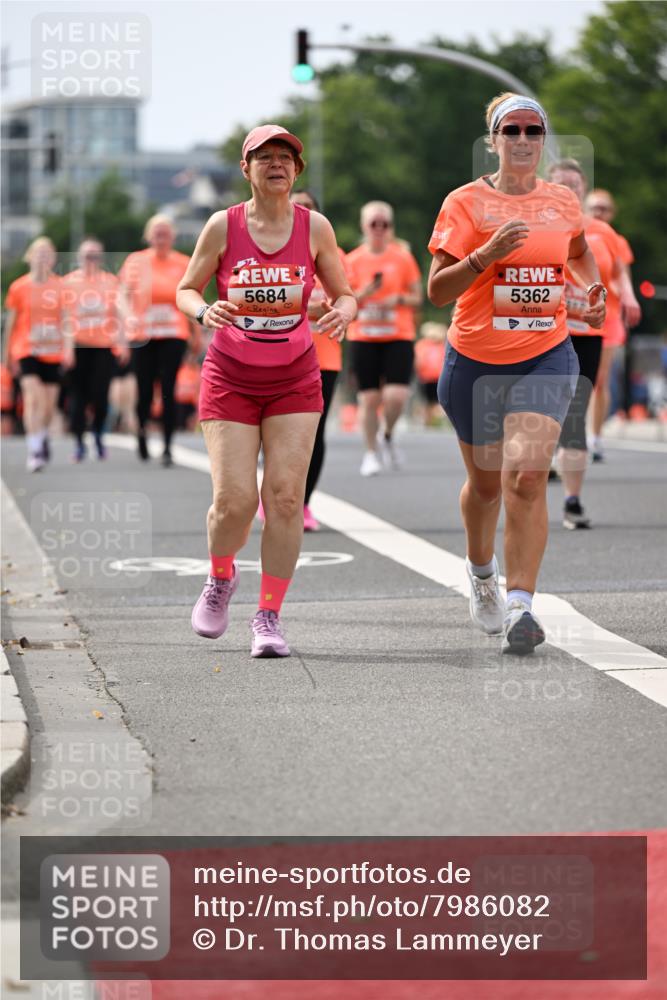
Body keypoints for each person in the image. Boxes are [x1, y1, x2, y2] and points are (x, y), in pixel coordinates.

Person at [427, 93, 606, 654]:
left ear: (543, 139)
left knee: (526, 477)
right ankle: (483, 573)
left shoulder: (562, 202)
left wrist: (593, 289)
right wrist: (484, 255)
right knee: (485, 487)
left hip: (546, 354)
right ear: (494, 141)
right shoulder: (465, 203)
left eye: (533, 130)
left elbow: (578, 253)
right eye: (512, 130)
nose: (523, 139)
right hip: (475, 364)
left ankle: (521, 606)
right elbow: (437, 291)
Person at [176, 124, 355, 658]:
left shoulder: (315, 227)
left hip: (294, 378)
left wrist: (343, 312)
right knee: (234, 502)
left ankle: (268, 617)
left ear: (296, 170)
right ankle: (221, 577)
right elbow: (186, 288)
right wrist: (204, 310)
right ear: (246, 169)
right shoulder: (223, 225)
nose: (276, 164)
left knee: (285, 498)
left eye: (285, 158)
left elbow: (344, 293)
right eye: (264, 157)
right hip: (230, 377)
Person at [548, 161, 624, 529]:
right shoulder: (535, 227)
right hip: (542, 332)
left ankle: (572, 501)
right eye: (560, 184)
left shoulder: (601, 232)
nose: (568, 190)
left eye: (574, 185)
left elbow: (619, 271)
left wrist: (626, 296)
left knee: (574, 413)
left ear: (583, 189)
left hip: (587, 333)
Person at [345, 201, 423, 476]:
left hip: (397, 334)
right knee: (369, 399)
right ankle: (370, 453)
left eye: (384, 224)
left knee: (396, 396)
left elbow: (418, 297)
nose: (379, 229)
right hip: (363, 336)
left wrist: (398, 299)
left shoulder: (402, 258)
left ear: (391, 227)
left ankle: (387, 434)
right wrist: (364, 294)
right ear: (363, 226)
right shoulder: (352, 261)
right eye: (373, 224)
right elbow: (342, 300)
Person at [119, 215, 197, 466]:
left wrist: (196, 334)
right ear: (148, 236)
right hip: (143, 335)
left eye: (165, 233)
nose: (161, 237)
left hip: (174, 334)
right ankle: (142, 431)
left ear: (173, 236)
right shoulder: (136, 261)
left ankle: (167, 446)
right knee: (144, 389)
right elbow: (121, 296)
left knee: (168, 389)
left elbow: (192, 298)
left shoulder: (183, 262)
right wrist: (128, 315)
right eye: (157, 233)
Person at [291, 189, 345, 530]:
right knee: (278, 433)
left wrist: (336, 309)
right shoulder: (270, 249)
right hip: (280, 354)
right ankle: (277, 494)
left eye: (309, 207)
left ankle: (304, 504)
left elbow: (346, 298)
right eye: (297, 205)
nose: (302, 211)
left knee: (315, 432)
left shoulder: (334, 252)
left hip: (323, 357)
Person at [584, 189, 642, 459]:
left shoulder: (617, 241)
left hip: (608, 317)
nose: (599, 212)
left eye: (604, 208)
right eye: (594, 207)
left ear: (612, 213)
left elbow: (623, 276)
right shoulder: (576, 233)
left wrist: (626, 296)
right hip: (577, 315)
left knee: (599, 379)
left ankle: (595, 438)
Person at [61, 237, 129, 461]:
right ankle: (79, 443)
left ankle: (98, 434)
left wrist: (123, 342)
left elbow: (118, 314)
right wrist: (67, 349)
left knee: (101, 396)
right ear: (79, 257)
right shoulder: (68, 282)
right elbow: (64, 318)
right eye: (87, 255)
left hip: (103, 347)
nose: (91, 259)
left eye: (95, 255)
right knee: (78, 397)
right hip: (78, 347)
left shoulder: (110, 281)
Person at [3, 237, 64, 471]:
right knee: (33, 398)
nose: (43, 258)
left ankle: (42, 435)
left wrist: (69, 349)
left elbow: (67, 320)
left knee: (48, 405)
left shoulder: (60, 286)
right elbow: (11, 323)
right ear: (30, 257)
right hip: (25, 348)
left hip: (53, 350)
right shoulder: (18, 287)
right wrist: (7, 353)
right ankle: (35, 449)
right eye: (39, 253)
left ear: (54, 259)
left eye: (48, 253)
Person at [414, 322, 448, 426]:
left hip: (438, 377)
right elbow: (418, 360)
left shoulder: (443, 346)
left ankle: (432, 420)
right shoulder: (422, 345)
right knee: (428, 401)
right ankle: (428, 420)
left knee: (437, 401)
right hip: (426, 378)